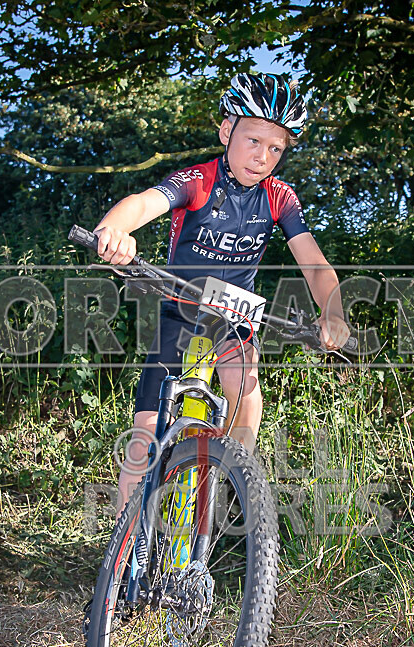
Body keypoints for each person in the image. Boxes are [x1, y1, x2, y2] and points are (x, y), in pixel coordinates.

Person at [93, 73, 351, 519]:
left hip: (236, 315)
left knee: (246, 386)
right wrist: (116, 229)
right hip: (182, 310)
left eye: (276, 149)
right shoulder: (198, 180)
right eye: (253, 140)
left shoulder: (280, 198)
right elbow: (143, 202)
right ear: (227, 130)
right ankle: (125, 544)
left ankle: (228, 481)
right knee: (146, 432)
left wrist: (333, 313)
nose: (263, 157)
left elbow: (314, 263)